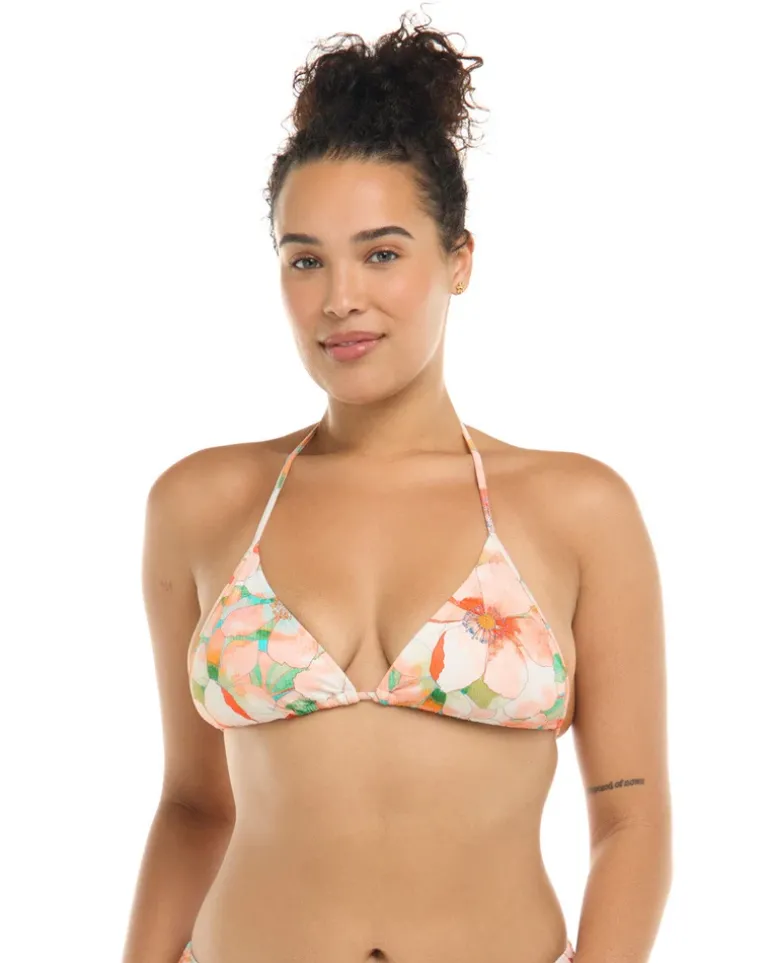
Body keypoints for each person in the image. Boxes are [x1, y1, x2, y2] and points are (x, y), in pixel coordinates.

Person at [122, 10, 672, 963]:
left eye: (382, 253)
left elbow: (632, 818)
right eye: (306, 260)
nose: (340, 298)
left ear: (458, 261)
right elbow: (192, 806)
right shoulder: (202, 503)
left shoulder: (577, 508)